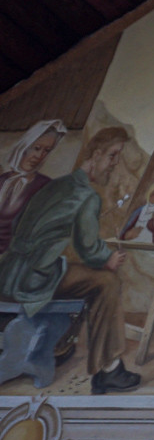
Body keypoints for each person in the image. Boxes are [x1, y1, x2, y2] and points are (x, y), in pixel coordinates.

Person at [0, 127, 137, 393]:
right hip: (31, 279)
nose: (114, 163)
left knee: (80, 275)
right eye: (113, 155)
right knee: (106, 281)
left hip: (8, 273)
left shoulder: (57, 185)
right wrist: (108, 258)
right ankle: (110, 369)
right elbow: (88, 249)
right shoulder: (86, 195)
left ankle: (61, 347)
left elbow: (22, 228)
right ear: (96, 155)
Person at [0, 120, 65, 251]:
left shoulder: (45, 186)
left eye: (47, 150)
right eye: (36, 148)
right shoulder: (3, 180)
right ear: (24, 146)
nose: (39, 156)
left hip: (12, 255)